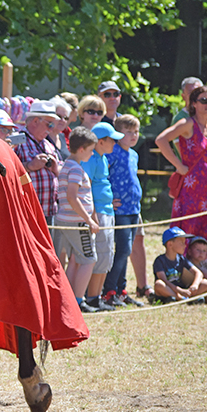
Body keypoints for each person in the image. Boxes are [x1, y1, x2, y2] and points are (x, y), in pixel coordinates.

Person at [155, 86, 207, 258]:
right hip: (189, 189)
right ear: (194, 103)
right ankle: (181, 266)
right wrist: (178, 165)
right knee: (187, 229)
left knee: (206, 229)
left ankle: (203, 268)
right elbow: (161, 140)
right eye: (203, 100)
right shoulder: (188, 123)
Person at [52, 127, 100, 313]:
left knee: (74, 260)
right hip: (77, 223)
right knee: (89, 259)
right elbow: (72, 197)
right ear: (81, 149)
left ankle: (70, 299)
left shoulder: (66, 166)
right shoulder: (75, 169)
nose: (92, 153)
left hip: (65, 220)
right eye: (90, 150)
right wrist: (89, 220)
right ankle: (78, 301)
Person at [103, 115, 145, 307]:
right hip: (119, 210)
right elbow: (103, 176)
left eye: (136, 132)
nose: (133, 135)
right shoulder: (112, 152)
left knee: (126, 249)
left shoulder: (134, 154)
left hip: (133, 208)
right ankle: (109, 289)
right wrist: (108, 198)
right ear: (118, 134)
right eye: (128, 132)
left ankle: (121, 290)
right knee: (123, 249)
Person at [81, 122, 123, 312]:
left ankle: (96, 296)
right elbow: (87, 187)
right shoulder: (90, 160)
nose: (115, 143)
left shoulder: (103, 158)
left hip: (107, 211)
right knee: (99, 254)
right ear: (100, 142)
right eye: (112, 140)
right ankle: (91, 297)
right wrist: (93, 215)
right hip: (98, 213)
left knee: (106, 255)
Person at [15, 101, 61, 225]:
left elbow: (59, 171)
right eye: (49, 124)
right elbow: (6, 171)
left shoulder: (48, 144)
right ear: (35, 121)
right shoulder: (16, 141)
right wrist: (29, 166)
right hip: (25, 212)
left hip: (48, 212)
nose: (51, 129)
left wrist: (56, 169)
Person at [153, 227, 207, 302]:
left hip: (182, 290)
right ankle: (181, 298)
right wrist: (180, 291)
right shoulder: (160, 260)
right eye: (182, 243)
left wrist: (195, 285)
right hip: (169, 289)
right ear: (170, 244)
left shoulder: (181, 258)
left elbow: (198, 273)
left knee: (205, 283)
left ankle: (187, 298)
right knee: (159, 284)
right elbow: (163, 280)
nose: (185, 246)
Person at [185, 236, 207, 304]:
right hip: (192, 288)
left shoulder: (206, 265)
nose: (201, 253)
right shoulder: (187, 264)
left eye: (204, 251)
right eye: (198, 250)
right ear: (189, 251)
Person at [48, 96, 73, 161]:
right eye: (58, 116)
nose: (63, 120)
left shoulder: (62, 137)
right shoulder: (43, 137)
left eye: (65, 118)